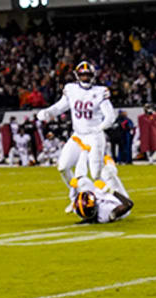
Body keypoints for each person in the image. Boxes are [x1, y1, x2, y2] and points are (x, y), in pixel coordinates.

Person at [36, 60, 117, 212]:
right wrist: (48, 112)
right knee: (63, 167)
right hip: (78, 136)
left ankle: (107, 202)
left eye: (87, 74)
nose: (85, 77)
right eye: (82, 74)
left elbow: (110, 117)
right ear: (77, 75)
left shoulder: (101, 91)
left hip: (94, 137)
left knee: (95, 173)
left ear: (93, 76)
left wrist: (98, 128)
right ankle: (76, 198)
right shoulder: (71, 89)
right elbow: (61, 106)